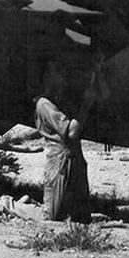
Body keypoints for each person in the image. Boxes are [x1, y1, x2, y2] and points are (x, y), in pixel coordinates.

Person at [34, 92, 91, 223]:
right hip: (60, 162)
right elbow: (72, 132)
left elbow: (104, 94)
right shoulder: (45, 104)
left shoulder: (61, 99)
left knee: (82, 218)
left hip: (75, 158)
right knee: (52, 216)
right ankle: (10, 205)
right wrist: (87, 102)